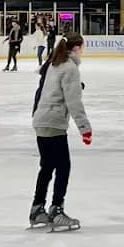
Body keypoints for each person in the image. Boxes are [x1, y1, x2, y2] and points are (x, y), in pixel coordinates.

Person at [29, 33, 91, 231]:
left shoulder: (54, 64)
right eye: (82, 46)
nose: (83, 50)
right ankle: (57, 210)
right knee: (63, 166)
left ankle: (37, 209)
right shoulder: (70, 68)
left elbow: (50, 89)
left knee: (47, 167)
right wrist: (85, 128)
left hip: (41, 119)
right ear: (76, 48)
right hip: (54, 122)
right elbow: (74, 102)